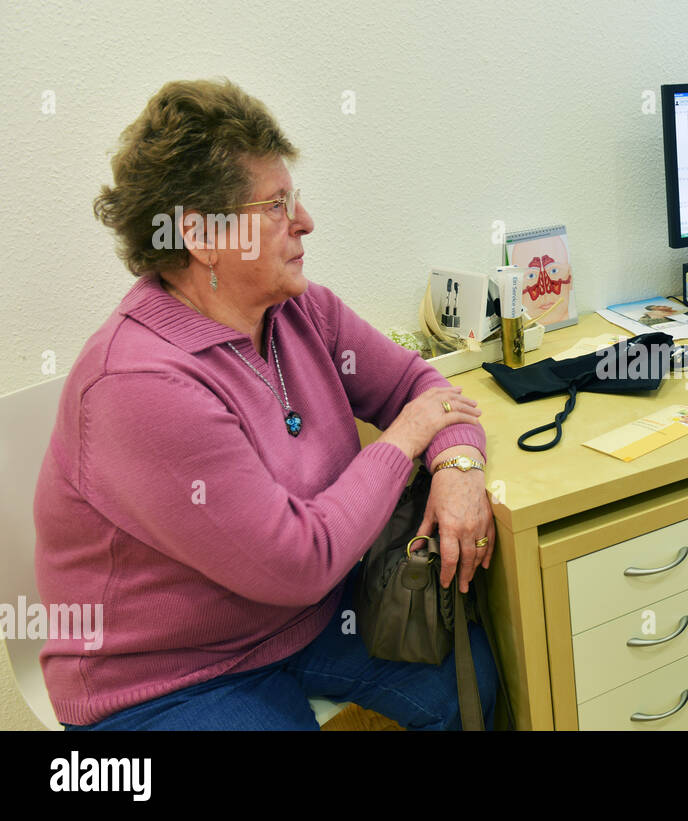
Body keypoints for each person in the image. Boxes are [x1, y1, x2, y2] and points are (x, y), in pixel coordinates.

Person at [34, 79, 498, 730]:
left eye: (295, 198)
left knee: (467, 671)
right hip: (168, 677)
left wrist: (458, 469)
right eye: (276, 205)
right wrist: (408, 438)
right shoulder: (136, 384)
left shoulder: (301, 309)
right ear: (199, 236)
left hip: (305, 620)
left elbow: (419, 387)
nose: (305, 222)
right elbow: (298, 561)